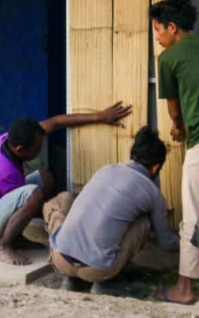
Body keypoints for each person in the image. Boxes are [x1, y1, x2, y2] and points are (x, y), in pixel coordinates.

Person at [0, 102, 132, 266]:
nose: (39, 151)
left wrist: (100, 116)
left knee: (45, 177)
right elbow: (20, 206)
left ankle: (16, 238)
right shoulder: (6, 172)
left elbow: (56, 122)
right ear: (20, 149)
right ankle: (2, 246)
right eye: (36, 149)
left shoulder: (8, 139)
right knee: (33, 195)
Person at [43, 126, 179, 294]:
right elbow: (165, 243)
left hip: (60, 259)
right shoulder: (153, 194)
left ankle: (70, 278)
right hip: (97, 270)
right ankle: (107, 283)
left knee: (62, 200)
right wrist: (187, 241)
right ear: (155, 167)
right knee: (144, 222)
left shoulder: (106, 169)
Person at [149, 0, 199, 304]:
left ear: (171, 27)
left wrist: (178, 127)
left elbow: (173, 109)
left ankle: (183, 289)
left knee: (192, 216)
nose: (157, 38)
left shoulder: (169, 59)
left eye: (157, 31)